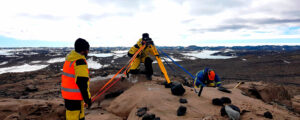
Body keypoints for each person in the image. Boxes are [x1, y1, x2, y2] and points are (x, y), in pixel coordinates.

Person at [61, 38, 92, 120]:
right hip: (75, 98)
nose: (87, 52)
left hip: (68, 96)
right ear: (83, 51)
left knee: (71, 117)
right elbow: (82, 83)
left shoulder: (70, 59)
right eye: (87, 50)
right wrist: (88, 100)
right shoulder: (80, 62)